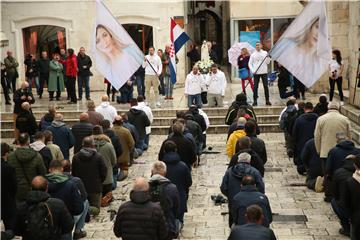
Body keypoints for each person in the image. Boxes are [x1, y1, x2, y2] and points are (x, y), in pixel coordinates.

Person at [270, 17, 328, 88]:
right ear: (310, 26)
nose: (318, 34)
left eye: (323, 32)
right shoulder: (288, 45)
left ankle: (299, 92)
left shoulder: (318, 61)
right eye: (317, 27)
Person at [220, 152, 264, 227]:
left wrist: (231, 196)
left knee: (235, 222)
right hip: (252, 204)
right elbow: (261, 189)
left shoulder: (229, 171)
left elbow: (223, 187)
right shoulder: (255, 172)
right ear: (249, 161)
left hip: (234, 202)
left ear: (238, 160)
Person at [94, 24, 143, 89]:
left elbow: (140, 66)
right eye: (98, 41)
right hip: (122, 90)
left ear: (110, 35)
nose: (104, 42)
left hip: (131, 84)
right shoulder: (108, 68)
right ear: (97, 47)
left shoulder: (131, 49)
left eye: (105, 35)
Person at [72, 136, 107, 216]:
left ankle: (83, 209)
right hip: (95, 187)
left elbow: (73, 173)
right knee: (96, 209)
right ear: (93, 145)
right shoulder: (98, 157)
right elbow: (104, 172)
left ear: (82, 145)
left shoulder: (76, 157)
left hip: (81, 187)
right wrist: (100, 181)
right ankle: (85, 209)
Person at [159, 140, 192, 224]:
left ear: (164, 151)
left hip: (163, 199)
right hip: (180, 197)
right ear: (176, 150)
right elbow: (189, 182)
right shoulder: (183, 166)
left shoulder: (159, 167)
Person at [7, 133, 46, 203]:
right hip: (33, 189)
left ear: (18, 142)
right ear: (29, 142)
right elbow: (42, 173)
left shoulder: (10, 156)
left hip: (16, 189)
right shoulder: (37, 156)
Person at [325, 133, 360, 200]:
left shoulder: (333, 151)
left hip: (338, 179)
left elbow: (328, 169)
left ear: (337, 141)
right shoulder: (357, 151)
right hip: (355, 179)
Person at [149, 162, 180, 238]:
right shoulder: (172, 188)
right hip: (167, 226)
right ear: (165, 173)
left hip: (150, 226)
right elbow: (177, 209)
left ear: (152, 172)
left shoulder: (145, 187)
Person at [61, 160, 89, 239]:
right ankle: (78, 230)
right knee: (86, 202)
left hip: (54, 214)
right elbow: (84, 197)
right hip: (70, 215)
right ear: (70, 169)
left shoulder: (50, 181)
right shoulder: (76, 181)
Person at [331, 154, 357, 237]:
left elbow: (335, 194)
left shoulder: (339, 173)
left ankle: (346, 228)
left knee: (334, 201)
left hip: (350, 210)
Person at [92, 125, 116, 206]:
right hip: (107, 176)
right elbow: (114, 161)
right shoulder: (109, 145)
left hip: (94, 178)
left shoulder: (88, 144)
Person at [292, 102, 318, 174]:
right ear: (312, 109)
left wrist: (295, 144)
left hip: (301, 143)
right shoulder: (318, 119)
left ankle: (302, 168)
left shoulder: (299, 120)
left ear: (304, 109)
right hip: (315, 143)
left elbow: (294, 134)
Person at [341, 155, 360, 239]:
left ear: (355, 165)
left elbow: (345, 203)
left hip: (356, 218)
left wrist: (349, 216)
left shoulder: (350, 182)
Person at [1, 143, 17, 239]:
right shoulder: (8, 168)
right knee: (9, 229)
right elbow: (14, 187)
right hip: (7, 200)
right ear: (6, 154)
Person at [248, 42, 271, 106]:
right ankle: (255, 101)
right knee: (255, 87)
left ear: (261, 46)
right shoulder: (253, 54)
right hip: (256, 73)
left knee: (266, 86)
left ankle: (267, 100)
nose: (257, 46)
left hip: (264, 72)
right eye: (256, 45)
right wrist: (253, 70)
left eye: (258, 45)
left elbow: (268, 62)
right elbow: (249, 63)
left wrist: (268, 57)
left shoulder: (265, 53)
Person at [113, 115, 134, 180]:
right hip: (124, 156)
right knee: (124, 169)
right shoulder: (126, 131)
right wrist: (129, 151)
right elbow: (132, 143)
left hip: (114, 156)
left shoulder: (110, 130)